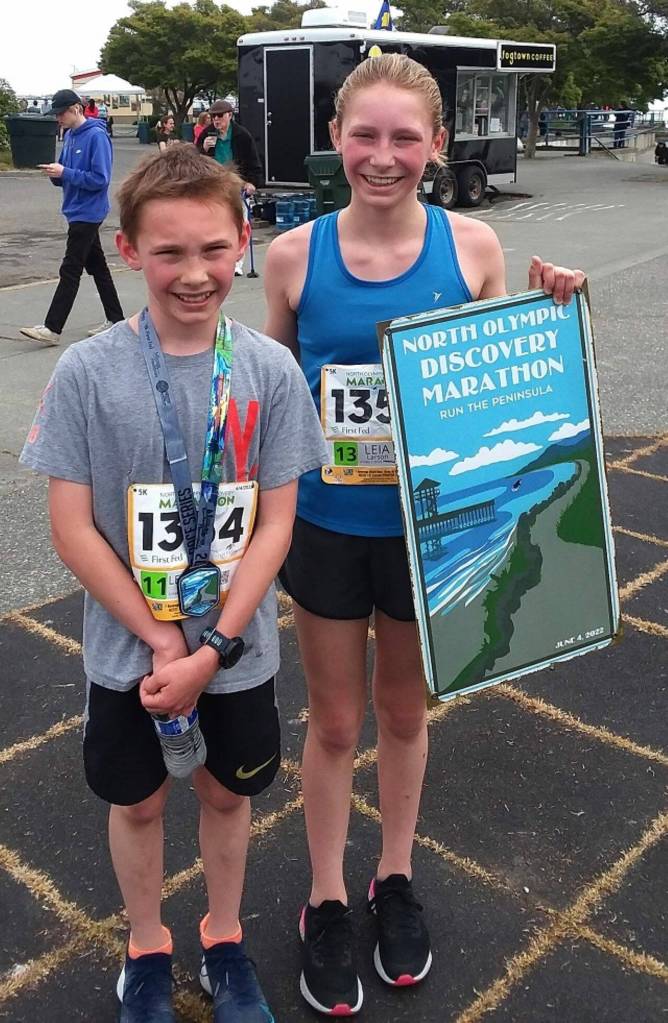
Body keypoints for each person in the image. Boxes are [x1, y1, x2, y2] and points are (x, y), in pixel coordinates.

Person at [264, 53, 585, 1017]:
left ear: (438, 145)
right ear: (336, 137)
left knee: (404, 715)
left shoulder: (475, 246)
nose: (384, 155)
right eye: (366, 134)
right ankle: (325, 893)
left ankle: (392, 878)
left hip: (433, 529)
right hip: (326, 525)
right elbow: (275, 400)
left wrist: (554, 309)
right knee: (331, 723)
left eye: (406, 137)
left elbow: (516, 379)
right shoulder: (293, 256)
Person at [20, 144, 328, 1023]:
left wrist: (218, 642)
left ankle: (224, 939)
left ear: (244, 243)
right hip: (132, 654)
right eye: (168, 253)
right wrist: (162, 640)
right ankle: (146, 947)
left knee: (229, 793)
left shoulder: (267, 370)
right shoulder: (87, 371)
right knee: (141, 799)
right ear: (127, 252)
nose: (193, 274)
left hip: (235, 649)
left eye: (211, 250)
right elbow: (72, 528)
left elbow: (276, 521)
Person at [20, 89, 124, 346]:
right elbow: (67, 175)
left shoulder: (97, 136)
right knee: (97, 266)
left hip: (88, 212)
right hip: (75, 209)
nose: (58, 118)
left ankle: (53, 327)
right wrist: (57, 175)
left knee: (71, 268)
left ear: (76, 108)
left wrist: (65, 172)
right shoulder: (70, 136)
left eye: (61, 112)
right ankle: (116, 319)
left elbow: (100, 179)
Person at [196, 100, 263, 276]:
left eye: (220, 116)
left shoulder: (242, 135)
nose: (216, 120)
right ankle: (215, 259)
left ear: (230, 115)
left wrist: (252, 182)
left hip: (237, 184)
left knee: (240, 223)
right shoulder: (207, 134)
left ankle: (237, 262)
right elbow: (195, 161)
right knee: (212, 224)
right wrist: (203, 149)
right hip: (213, 184)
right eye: (213, 116)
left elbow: (253, 162)